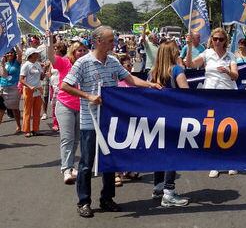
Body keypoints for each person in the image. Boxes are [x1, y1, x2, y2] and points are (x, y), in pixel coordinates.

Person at [61, 26, 161, 218]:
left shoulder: (113, 61)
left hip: (110, 121)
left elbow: (130, 79)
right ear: (98, 41)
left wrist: (150, 84)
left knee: (110, 161)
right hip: (90, 122)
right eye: (109, 40)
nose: (113, 43)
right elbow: (66, 85)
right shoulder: (83, 62)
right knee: (86, 164)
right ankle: (84, 201)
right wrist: (88, 96)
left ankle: (107, 198)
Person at [186, 28, 239, 177]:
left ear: (225, 41)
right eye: (215, 39)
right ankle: (215, 163)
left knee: (229, 129)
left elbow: (235, 76)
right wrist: (189, 46)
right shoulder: (207, 53)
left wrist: (227, 71)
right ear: (211, 39)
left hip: (228, 96)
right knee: (213, 129)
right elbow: (189, 64)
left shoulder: (230, 56)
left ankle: (231, 161)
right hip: (211, 96)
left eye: (221, 39)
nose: (217, 42)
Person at [150, 41, 189, 207]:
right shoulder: (177, 70)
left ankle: (158, 186)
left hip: (156, 117)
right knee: (172, 154)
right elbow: (186, 93)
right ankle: (168, 191)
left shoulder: (152, 73)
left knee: (160, 152)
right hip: (173, 117)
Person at [47, 32, 89, 184]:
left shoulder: (87, 64)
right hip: (65, 105)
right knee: (67, 138)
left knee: (76, 138)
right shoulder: (65, 62)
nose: (82, 53)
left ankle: (71, 167)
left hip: (82, 106)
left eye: (84, 50)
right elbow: (51, 57)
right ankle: (66, 169)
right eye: (79, 50)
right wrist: (49, 41)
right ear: (73, 51)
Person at [20, 48, 45, 138]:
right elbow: (21, 79)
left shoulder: (38, 64)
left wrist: (44, 70)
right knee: (27, 111)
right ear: (31, 55)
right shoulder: (26, 65)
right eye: (36, 53)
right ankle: (26, 130)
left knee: (37, 111)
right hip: (28, 90)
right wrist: (29, 86)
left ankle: (35, 129)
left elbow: (41, 77)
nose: (38, 55)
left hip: (38, 89)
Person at [0, 46, 22, 134]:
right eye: (8, 53)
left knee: (15, 109)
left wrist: (14, 43)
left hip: (14, 87)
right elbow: (4, 75)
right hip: (3, 87)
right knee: (1, 109)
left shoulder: (17, 62)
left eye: (11, 52)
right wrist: (2, 65)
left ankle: (18, 126)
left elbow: (20, 54)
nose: (9, 54)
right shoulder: (3, 63)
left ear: (14, 53)